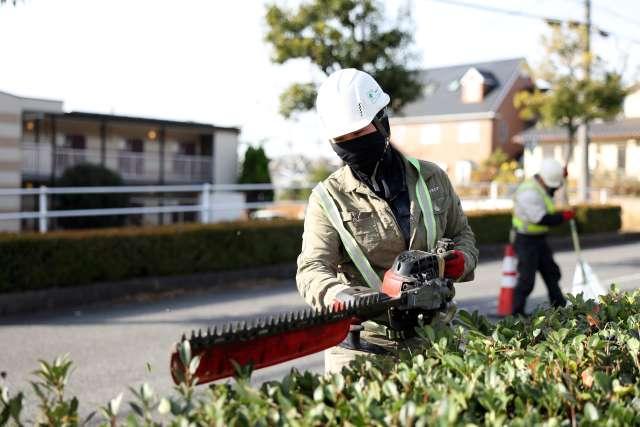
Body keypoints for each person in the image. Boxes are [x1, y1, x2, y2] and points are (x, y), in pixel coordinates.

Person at [295, 68, 478, 373]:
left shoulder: (432, 178)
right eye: (342, 139)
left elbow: (462, 235)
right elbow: (312, 268)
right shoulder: (327, 198)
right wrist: (340, 298)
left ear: (382, 122)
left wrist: (458, 262)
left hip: (434, 342)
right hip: (362, 352)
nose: (352, 144)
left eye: (359, 133)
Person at [511, 158, 575, 316]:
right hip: (525, 240)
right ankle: (516, 314)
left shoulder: (542, 185)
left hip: (539, 239)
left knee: (551, 273)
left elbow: (552, 189)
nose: (555, 189)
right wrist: (564, 217)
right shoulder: (529, 193)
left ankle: (560, 308)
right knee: (527, 280)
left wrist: (561, 177)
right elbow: (541, 219)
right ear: (544, 179)